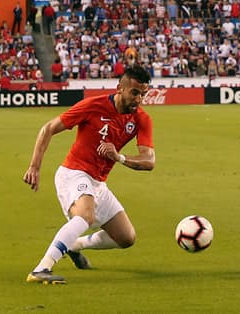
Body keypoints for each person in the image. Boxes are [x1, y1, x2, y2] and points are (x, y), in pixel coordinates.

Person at [23, 64, 155, 285]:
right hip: (74, 173)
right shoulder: (94, 106)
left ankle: (74, 245)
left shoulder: (141, 119)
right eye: (134, 92)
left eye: (143, 93)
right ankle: (41, 268)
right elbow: (49, 128)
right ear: (120, 88)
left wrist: (119, 158)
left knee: (126, 237)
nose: (139, 99)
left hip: (98, 183)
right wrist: (34, 167)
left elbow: (149, 161)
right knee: (86, 215)